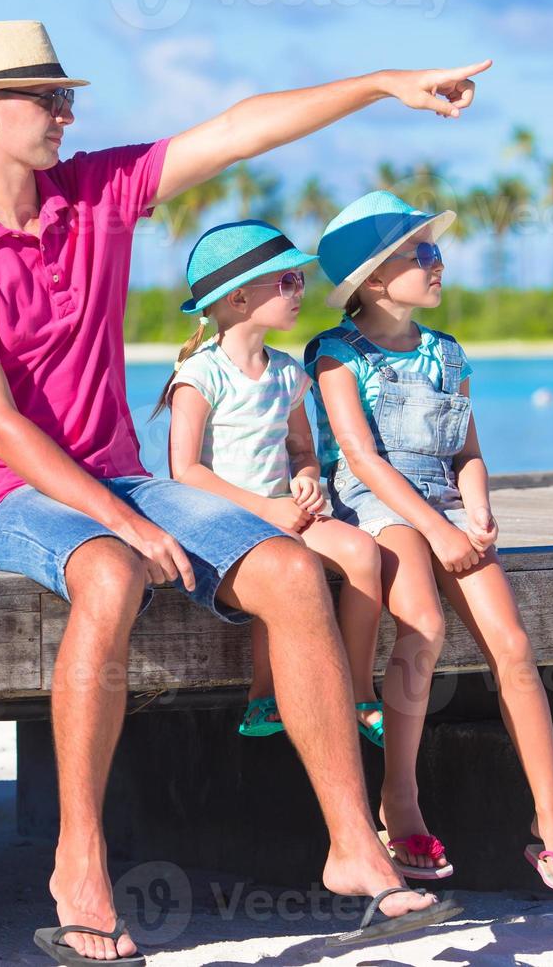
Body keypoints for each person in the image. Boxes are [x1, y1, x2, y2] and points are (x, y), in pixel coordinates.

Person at [0, 20, 490, 962]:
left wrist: (382, 82)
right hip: (9, 498)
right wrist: (120, 519)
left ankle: (350, 845)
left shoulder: (91, 194)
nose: (67, 112)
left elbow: (241, 128)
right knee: (109, 575)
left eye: (67, 97)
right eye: (48, 99)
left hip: (119, 477)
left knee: (293, 571)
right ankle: (79, 863)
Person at [306, 190, 553, 894]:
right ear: (374, 279)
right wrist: (435, 529)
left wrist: (475, 511)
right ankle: (398, 798)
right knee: (424, 626)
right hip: (377, 505)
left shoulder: (445, 353)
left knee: (513, 645)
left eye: (435, 251)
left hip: (440, 503)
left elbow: (465, 451)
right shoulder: (336, 353)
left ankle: (550, 821)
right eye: (422, 254)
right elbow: (361, 456)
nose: (438, 264)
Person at [156, 221, 385, 751]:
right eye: (286, 283)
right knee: (283, 568)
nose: (299, 292)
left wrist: (306, 482)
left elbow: (303, 452)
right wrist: (265, 509)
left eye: (299, 282)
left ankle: (358, 688)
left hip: (284, 512)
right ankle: (264, 692)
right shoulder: (200, 375)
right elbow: (184, 472)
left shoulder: (287, 374)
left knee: (362, 552)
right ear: (238, 297)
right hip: (224, 518)